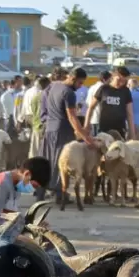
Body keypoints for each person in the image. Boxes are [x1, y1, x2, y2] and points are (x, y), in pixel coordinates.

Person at [40, 67, 98, 200]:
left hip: (49, 129)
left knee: (48, 161)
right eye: (80, 83)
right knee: (61, 163)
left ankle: (41, 192)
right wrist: (86, 137)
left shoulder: (54, 87)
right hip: (62, 131)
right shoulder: (69, 93)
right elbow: (72, 117)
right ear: (72, 78)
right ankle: (60, 194)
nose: (80, 86)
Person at [0, 156, 52, 223]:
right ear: (27, 174)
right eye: (34, 186)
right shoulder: (1, 185)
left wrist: (33, 222)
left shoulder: (15, 185)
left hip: (7, 229)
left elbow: (8, 213)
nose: (34, 189)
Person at [87, 66, 136, 140]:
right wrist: (86, 124)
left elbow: (130, 113)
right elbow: (91, 107)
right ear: (113, 76)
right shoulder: (103, 89)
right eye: (119, 80)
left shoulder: (126, 91)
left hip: (120, 131)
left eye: (124, 81)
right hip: (104, 130)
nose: (121, 83)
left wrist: (132, 134)